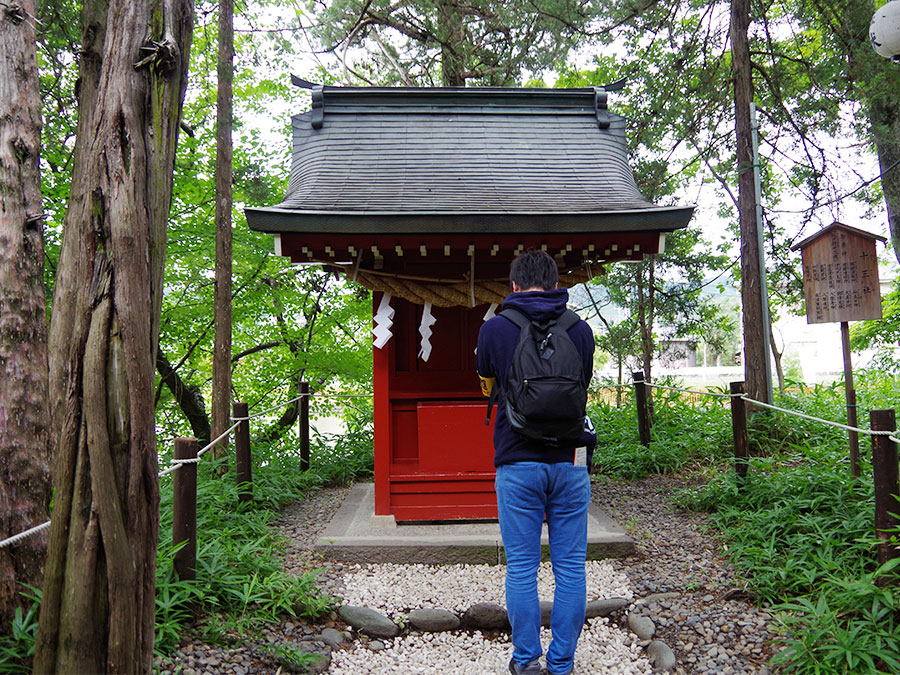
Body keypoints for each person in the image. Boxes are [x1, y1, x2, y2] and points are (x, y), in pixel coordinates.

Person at [476, 249, 595, 675]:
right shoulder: (580, 330)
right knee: (570, 568)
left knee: (523, 568)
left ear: (513, 285)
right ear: (555, 282)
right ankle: (561, 663)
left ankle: (527, 661)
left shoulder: (494, 330)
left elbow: (486, 384)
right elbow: (581, 384)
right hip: (570, 460)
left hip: (517, 460)